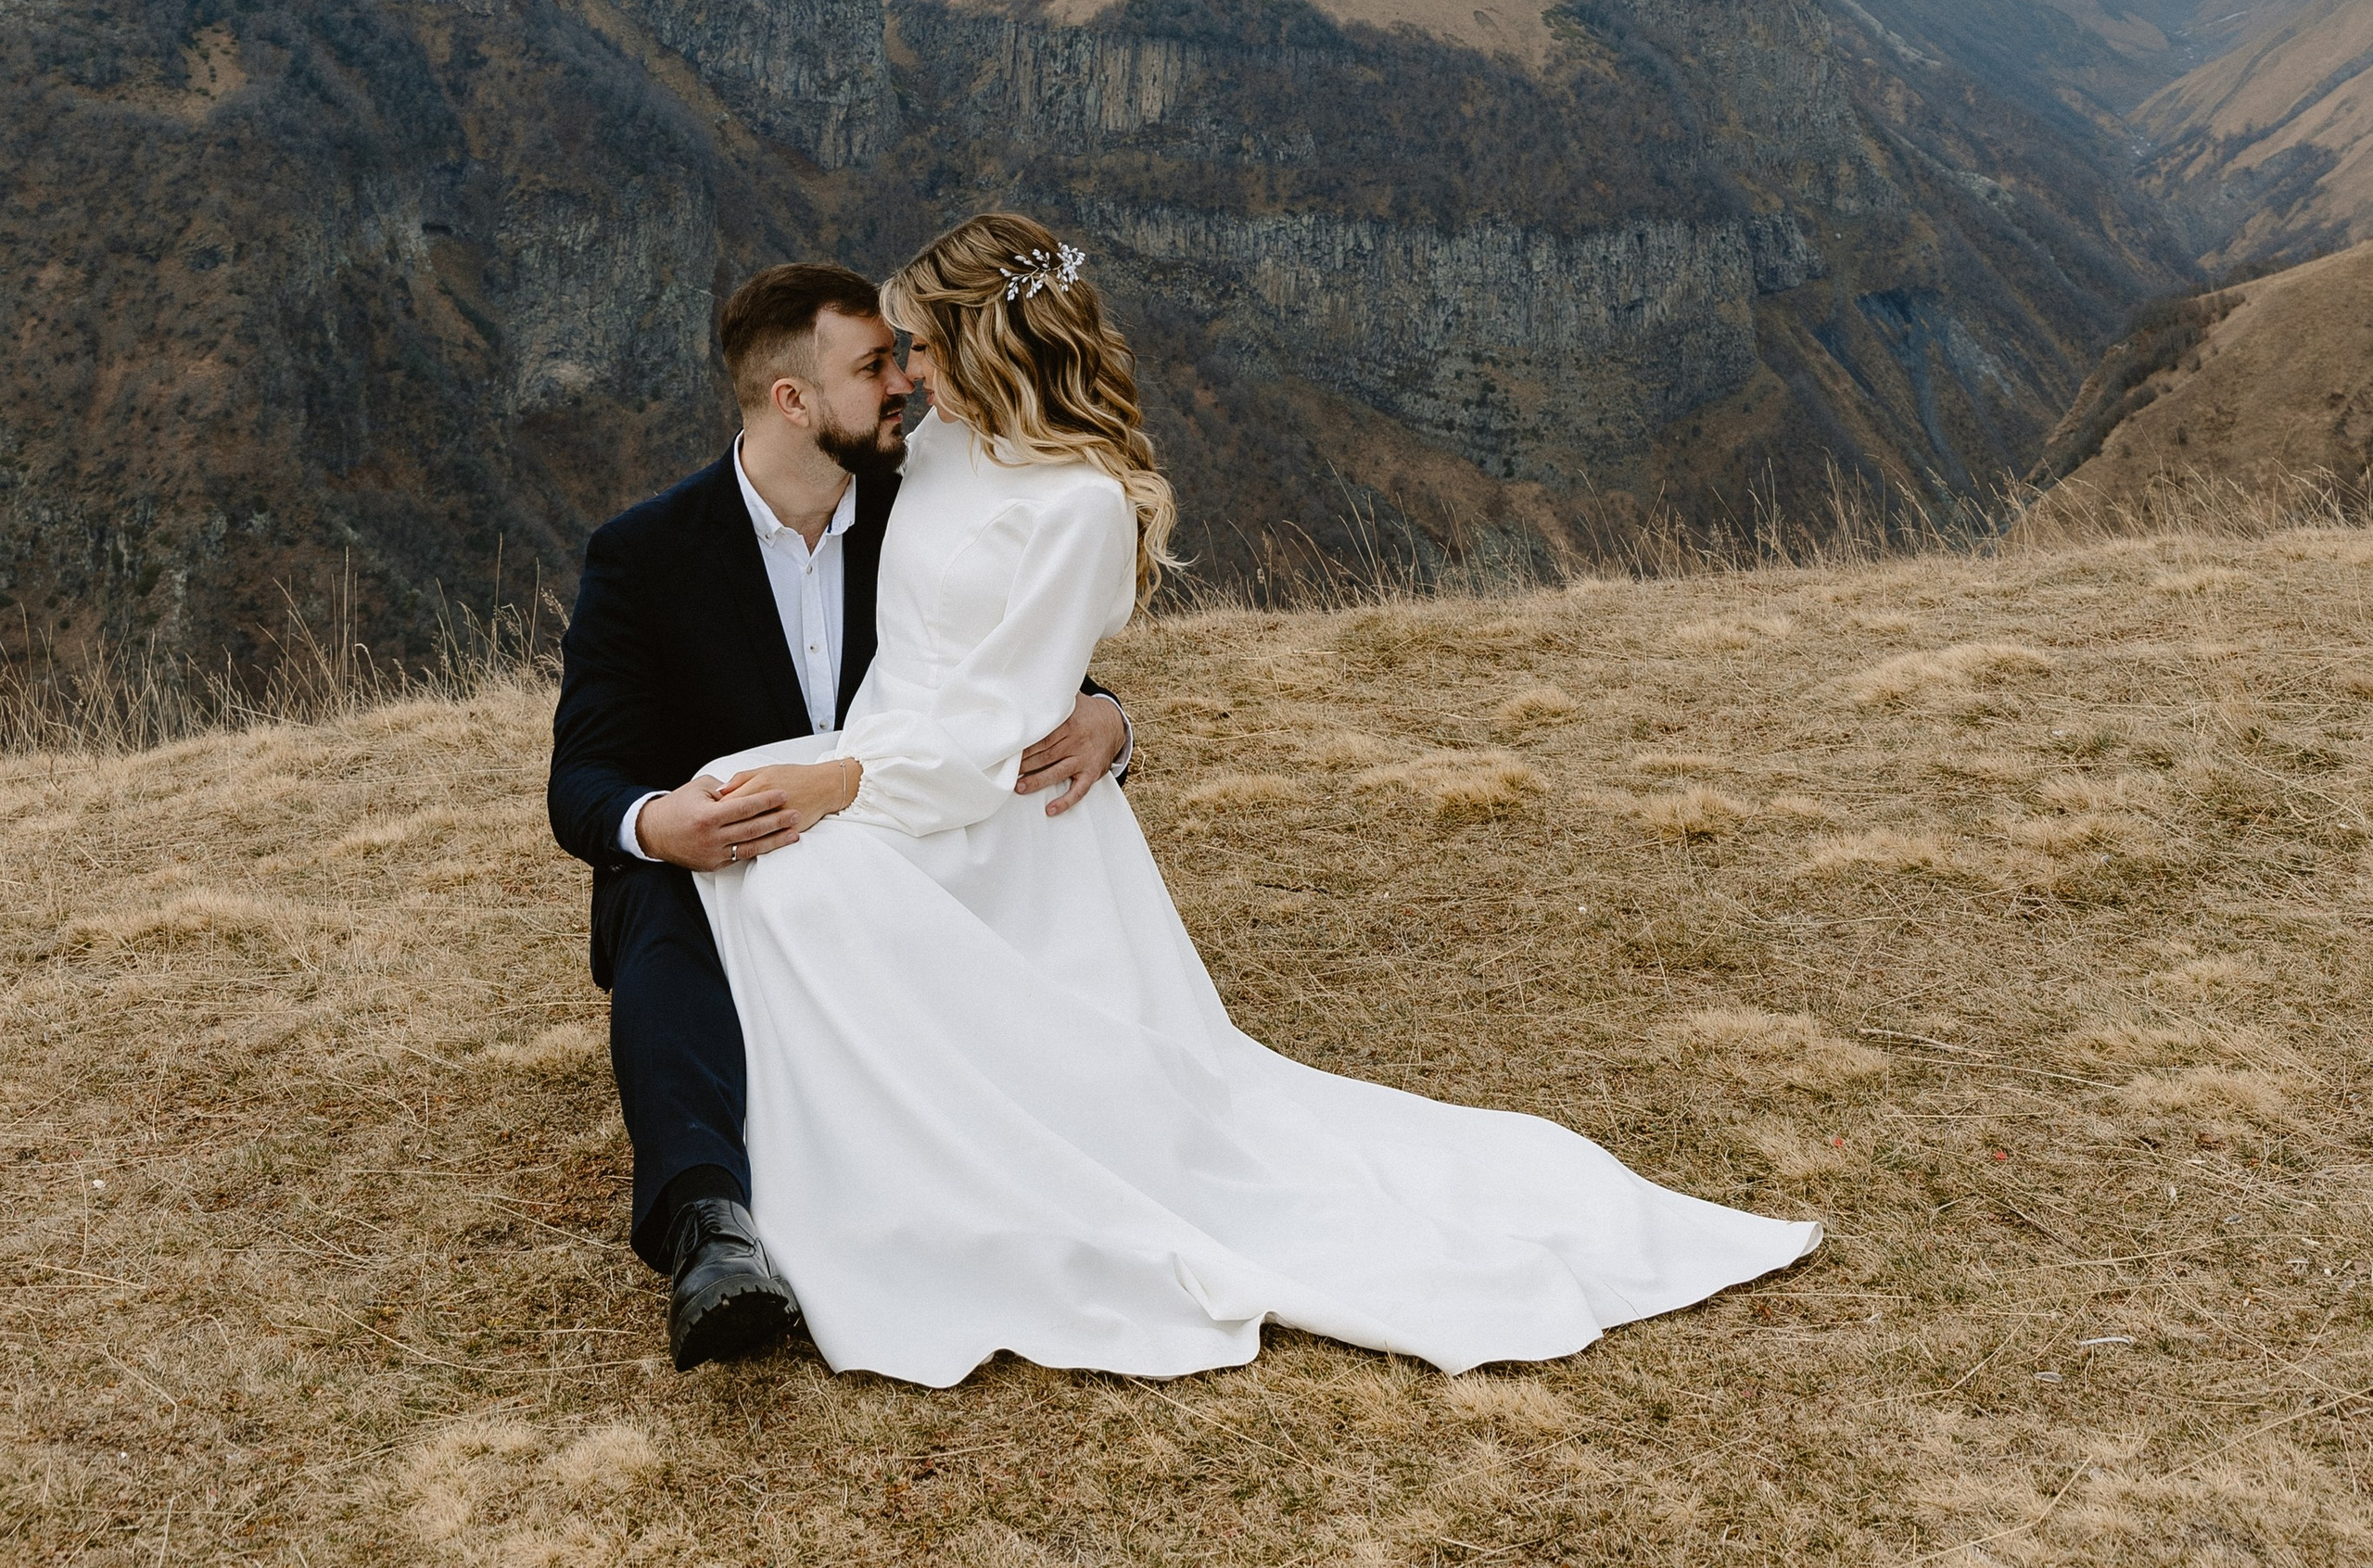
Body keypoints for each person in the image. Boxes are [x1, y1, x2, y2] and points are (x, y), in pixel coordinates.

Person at [686, 209, 1821, 1386]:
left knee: (802, 877)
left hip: (990, 810)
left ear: (985, 344)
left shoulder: (1076, 505)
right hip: (894, 754)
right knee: (723, 817)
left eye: (921, 348)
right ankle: (822, 1155)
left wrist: (855, 779)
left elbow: (1002, 721)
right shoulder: (941, 448)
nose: (905, 376)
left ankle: (901, 1183)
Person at [546, 259, 1131, 1369]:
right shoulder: (644, 554)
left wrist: (1107, 716)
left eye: (904, 355)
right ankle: (711, 1227)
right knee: (650, 893)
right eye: (874, 366)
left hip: (908, 841)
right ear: (792, 401)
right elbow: (582, 778)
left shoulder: (929, 503)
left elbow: (995, 670)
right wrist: (657, 823)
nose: (907, 381)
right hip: (724, 853)